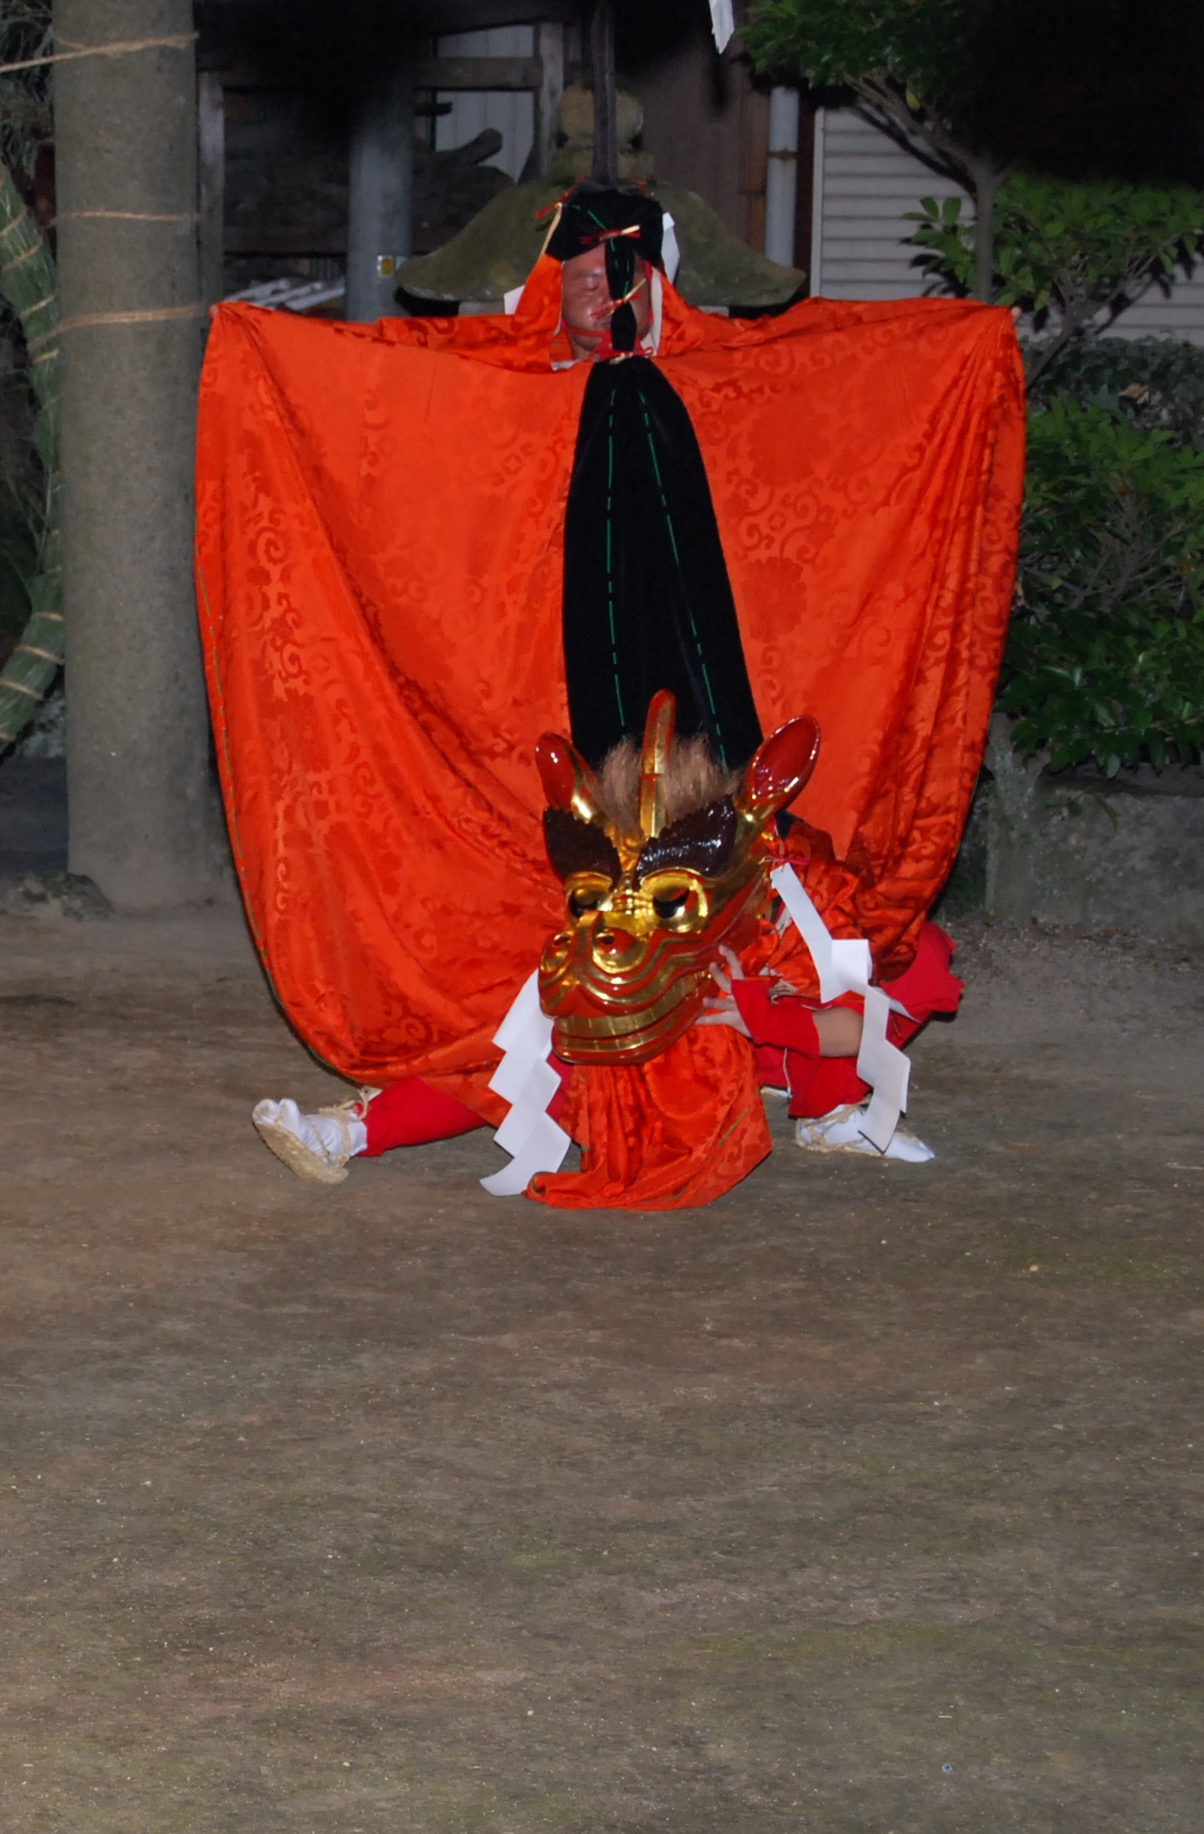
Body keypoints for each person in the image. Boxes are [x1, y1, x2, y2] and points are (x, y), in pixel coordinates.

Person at [217, 181, 1012, 1203]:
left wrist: (973, 342)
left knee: (866, 955)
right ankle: (359, 1128)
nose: (602, 296)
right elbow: (385, 403)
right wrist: (260, 347)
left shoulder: (722, 379)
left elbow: (843, 382)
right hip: (552, 736)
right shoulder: (502, 386)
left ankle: (826, 1110)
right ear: (551, 283)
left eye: (619, 278)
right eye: (582, 277)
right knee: (546, 992)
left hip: (719, 743)